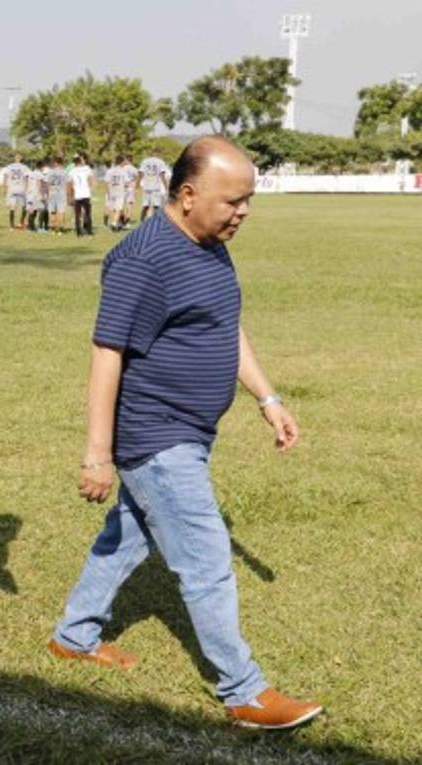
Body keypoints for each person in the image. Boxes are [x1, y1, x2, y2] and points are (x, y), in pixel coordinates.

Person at [48, 135, 323, 730]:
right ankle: (244, 690)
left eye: (249, 200)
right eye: (233, 201)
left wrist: (267, 398)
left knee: (127, 537)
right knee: (206, 558)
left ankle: (73, 635)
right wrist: (97, 454)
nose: (243, 212)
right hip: (156, 435)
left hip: (192, 432)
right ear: (189, 194)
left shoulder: (209, 244)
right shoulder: (143, 258)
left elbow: (226, 325)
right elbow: (107, 353)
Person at [0, 152, 31, 230]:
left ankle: (11, 226)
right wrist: (27, 189)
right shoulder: (24, 167)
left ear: (14, 158)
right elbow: (27, 178)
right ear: (21, 158)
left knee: (12, 207)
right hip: (21, 188)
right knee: (24, 206)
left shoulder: (9, 167)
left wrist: (4, 188)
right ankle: (21, 222)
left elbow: (5, 177)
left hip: (11, 188)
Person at [67, 152, 95, 237]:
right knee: (87, 214)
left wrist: (69, 196)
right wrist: (90, 189)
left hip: (77, 195)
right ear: (80, 161)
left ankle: (78, 232)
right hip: (86, 194)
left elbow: (69, 185)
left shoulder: (71, 171)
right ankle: (89, 232)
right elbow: (91, 181)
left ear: (74, 163)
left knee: (77, 214)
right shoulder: (87, 169)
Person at [138, 153, 169, 221]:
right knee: (156, 205)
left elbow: (140, 173)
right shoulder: (160, 161)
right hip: (156, 187)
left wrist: (137, 184)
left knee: (145, 205)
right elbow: (162, 175)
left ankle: (142, 220)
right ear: (158, 154)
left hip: (146, 186)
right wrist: (166, 186)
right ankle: (155, 220)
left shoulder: (144, 161)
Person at [103, 154, 128, 231]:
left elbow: (107, 182)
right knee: (119, 209)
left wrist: (108, 192)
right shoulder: (123, 171)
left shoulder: (110, 170)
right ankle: (114, 224)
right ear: (121, 162)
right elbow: (126, 183)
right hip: (120, 192)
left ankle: (118, 223)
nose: (125, 162)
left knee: (114, 209)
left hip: (111, 192)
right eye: (124, 161)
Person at [45, 155, 69, 234]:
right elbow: (67, 184)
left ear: (55, 163)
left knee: (52, 211)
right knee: (61, 211)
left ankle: (54, 228)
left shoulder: (50, 172)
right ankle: (61, 229)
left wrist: (47, 194)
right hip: (61, 193)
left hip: (52, 193)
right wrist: (68, 194)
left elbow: (47, 184)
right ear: (61, 163)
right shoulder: (65, 172)